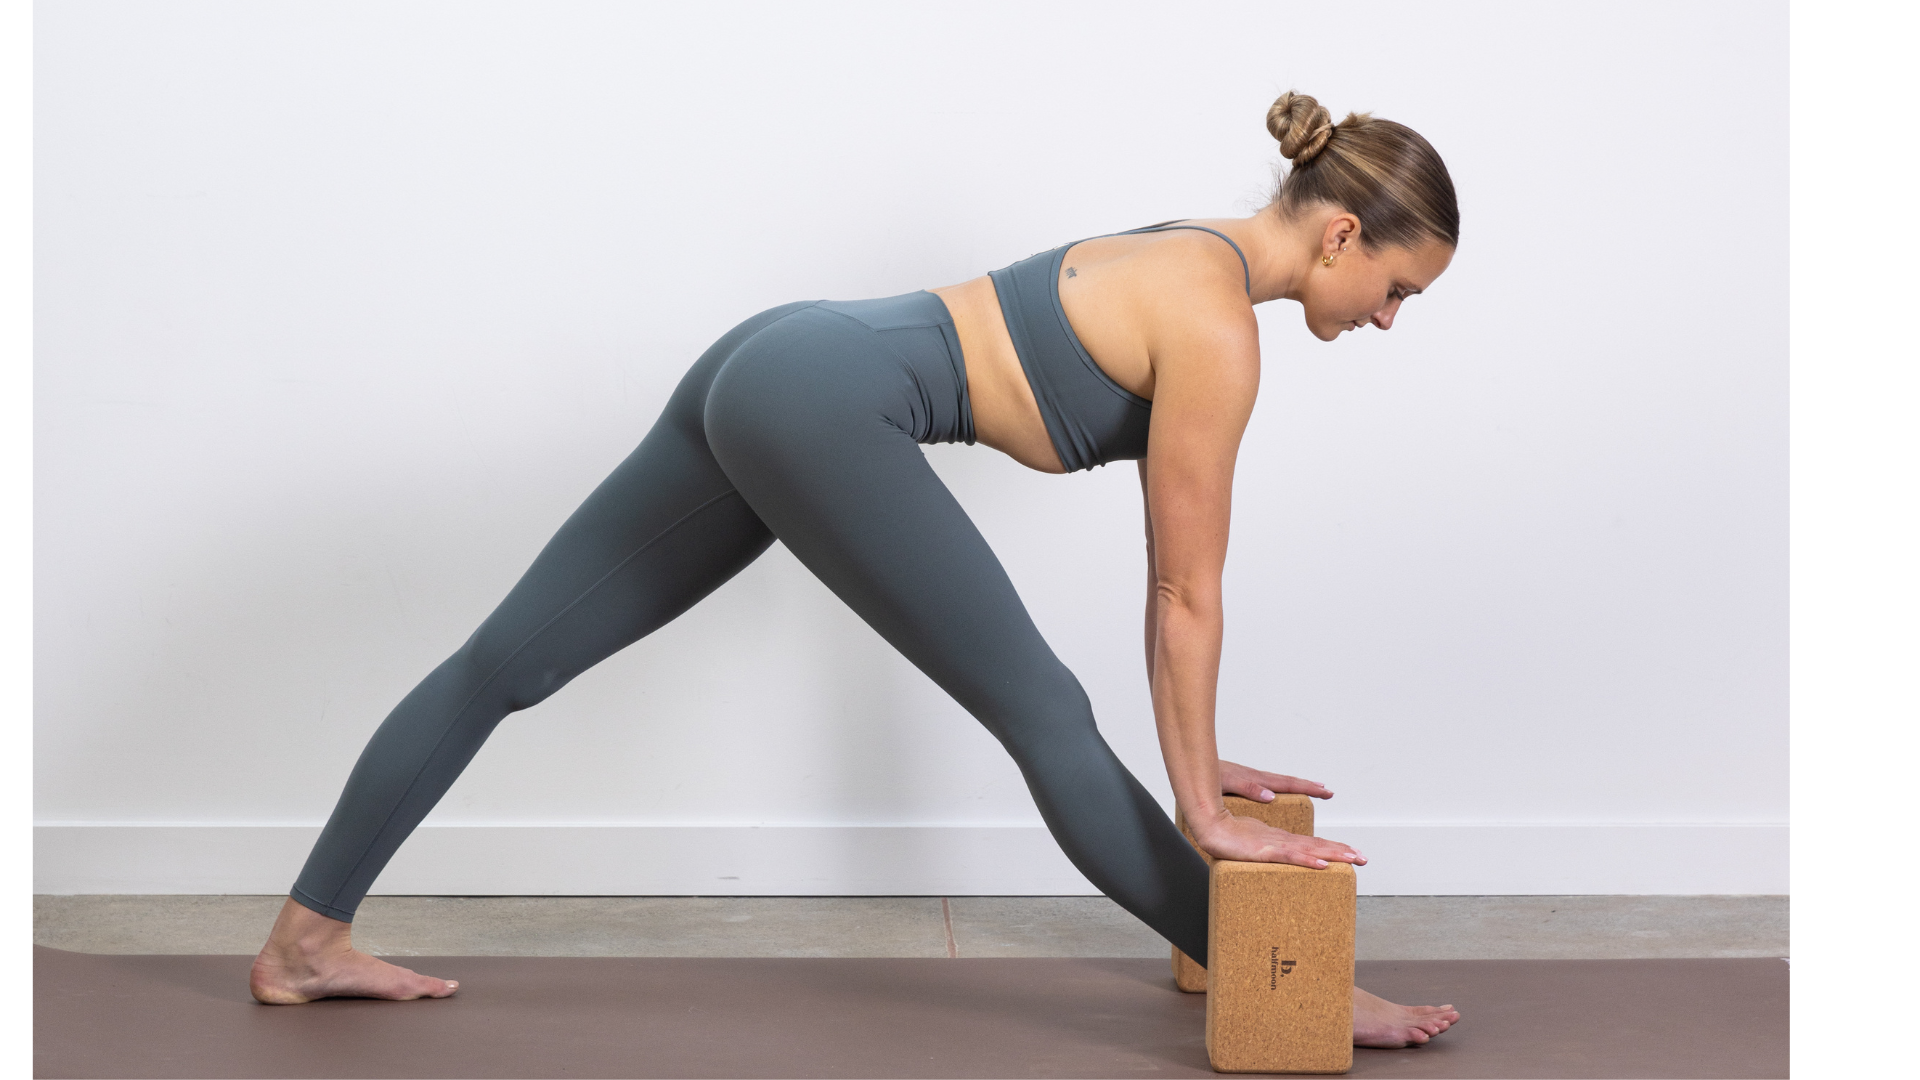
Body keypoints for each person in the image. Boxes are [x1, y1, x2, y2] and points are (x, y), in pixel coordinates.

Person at [249, 90, 1461, 1048]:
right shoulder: (1218, 329)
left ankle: (305, 942)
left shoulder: (1183, 251)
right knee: (1046, 711)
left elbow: (1174, 587)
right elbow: (1185, 591)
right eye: (1398, 289)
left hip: (780, 357)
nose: (1391, 318)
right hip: (822, 403)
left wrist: (1204, 770)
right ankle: (1293, 987)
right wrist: (1201, 811)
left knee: (505, 663)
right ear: (1344, 232)